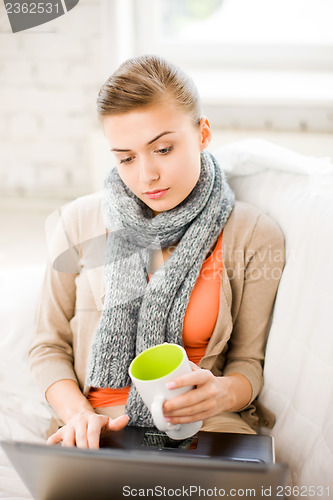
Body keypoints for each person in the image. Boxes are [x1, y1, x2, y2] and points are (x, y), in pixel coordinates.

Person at [29, 55, 285, 449]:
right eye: (126, 158)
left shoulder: (252, 234)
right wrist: (78, 416)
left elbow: (248, 364)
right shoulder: (77, 221)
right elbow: (48, 345)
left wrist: (221, 393)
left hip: (205, 426)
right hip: (95, 429)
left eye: (162, 149)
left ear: (202, 134)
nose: (146, 175)